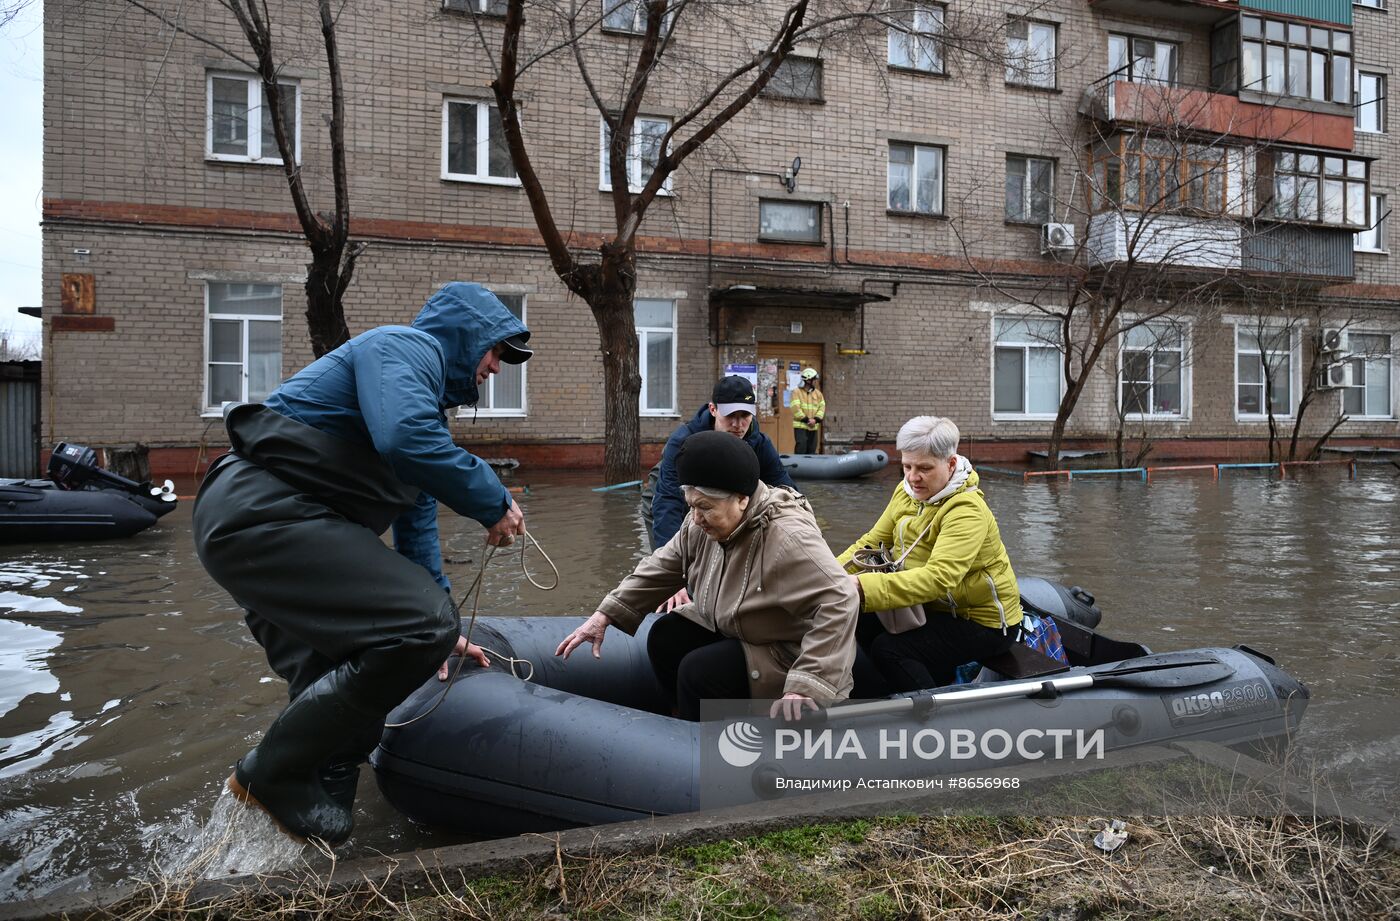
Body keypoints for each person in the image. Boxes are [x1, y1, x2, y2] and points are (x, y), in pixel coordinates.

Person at [192, 281, 531, 844]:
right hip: (263, 511)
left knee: (339, 676)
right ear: (466, 336)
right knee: (420, 626)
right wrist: (490, 498)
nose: (497, 368)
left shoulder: (422, 414)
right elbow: (403, 438)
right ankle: (269, 774)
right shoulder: (404, 348)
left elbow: (418, 539)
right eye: (496, 351)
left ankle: (303, 853)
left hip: (263, 532)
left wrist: (443, 630)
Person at [557, 430, 858, 721]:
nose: (696, 518)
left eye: (705, 508)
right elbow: (662, 566)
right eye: (691, 505)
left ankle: (704, 747)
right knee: (665, 635)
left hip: (785, 649)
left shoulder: (787, 537)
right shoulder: (700, 523)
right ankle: (680, 722)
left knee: (698, 670)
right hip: (738, 627)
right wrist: (605, 615)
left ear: (742, 499)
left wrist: (807, 683)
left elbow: (841, 597)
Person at [836, 416, 1023, 692]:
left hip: (983, 621)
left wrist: (861, 585)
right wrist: (830, 575)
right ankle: (882, 693)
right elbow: (871, 542)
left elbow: (939, 578)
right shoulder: (906, 491)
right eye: (907, 466)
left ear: (950, 464)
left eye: (924, 468)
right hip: (933, 608)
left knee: (890, 649)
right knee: (860, 619)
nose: (913, 477)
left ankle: (930, 711)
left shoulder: (966, 510)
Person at [648, 375, 796, 551]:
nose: (738, 425)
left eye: (745, 416)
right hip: (670, 495)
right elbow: (668, 501)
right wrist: (674, 560)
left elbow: (786, 490)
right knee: (677, 557)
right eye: (730, 415)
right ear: (713, 409)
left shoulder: (760, 443)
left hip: (720, 495)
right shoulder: (682, 441)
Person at [790, 367, 825, 455]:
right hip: (801, 426)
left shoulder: (818, 394)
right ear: (808, 380)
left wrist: (816, 420)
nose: (815, 381)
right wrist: (807, 420)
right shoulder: (796, 392)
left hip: (813, 426)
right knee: (801, 448)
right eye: (814, 379)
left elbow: (822, 408)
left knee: (812, 449)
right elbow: (796, 408)